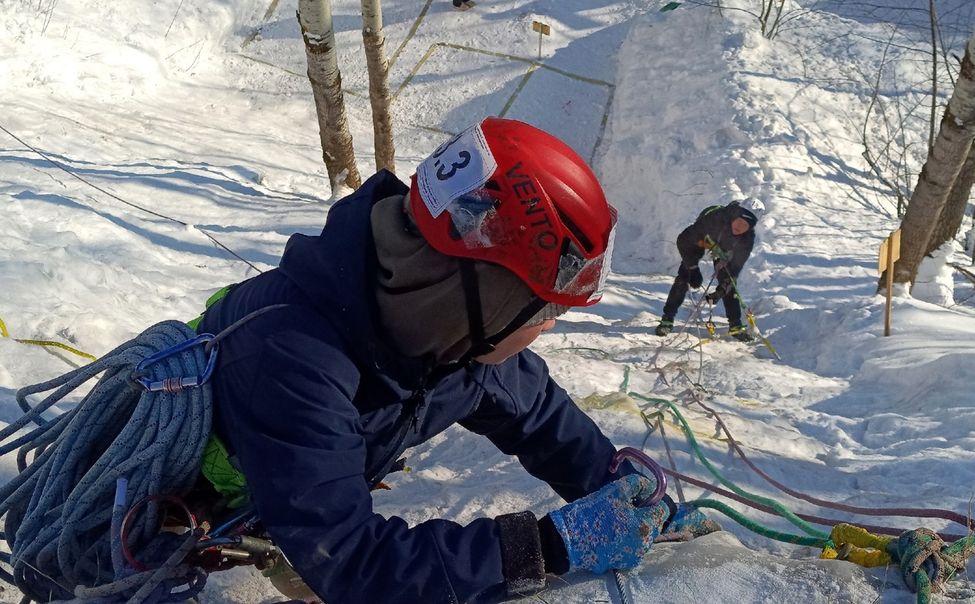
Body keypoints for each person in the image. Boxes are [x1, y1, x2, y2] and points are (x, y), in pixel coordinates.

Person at [196, 117, 718, 603]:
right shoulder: (293, 356)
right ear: (489, 296)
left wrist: (622, 494)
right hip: (185, 504)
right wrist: (549, 546)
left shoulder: (443, 322)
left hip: (284, 487)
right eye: (547, 308)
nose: (551, 325)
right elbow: (354, 565)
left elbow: (540, 418)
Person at [654, 200, 760, 341]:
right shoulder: (715, 219)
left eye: (745, 225)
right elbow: (683, 240)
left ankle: (735, 326)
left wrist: (721, 291)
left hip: (724, 249)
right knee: (684, 276)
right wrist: (693, 268)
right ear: (735, 216)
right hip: (703, 238)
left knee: (729, 282)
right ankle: (667, 320)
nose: (740, 227)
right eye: (739, 221)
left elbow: (734, 270)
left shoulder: (747, 239)